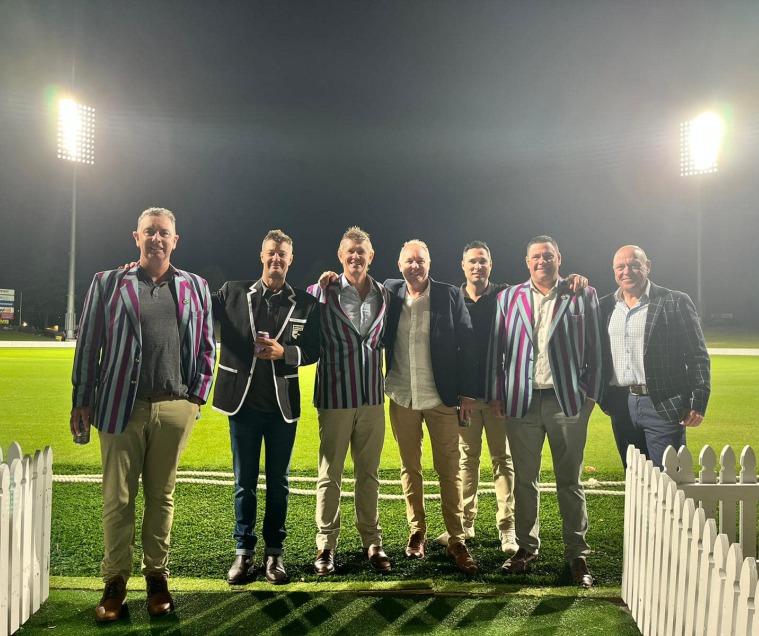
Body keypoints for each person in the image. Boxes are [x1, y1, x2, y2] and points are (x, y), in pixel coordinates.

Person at [70, 207, 215, 622]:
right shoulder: (107, 283)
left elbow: (207, 346)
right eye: (149, 231)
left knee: (161, 496)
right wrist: (82, 398)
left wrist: (196, 397)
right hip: (120, 405)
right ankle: (115, 581)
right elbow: (89, 344)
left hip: (174, 406)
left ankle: (156, 577)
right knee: (118, 498)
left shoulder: (195, 286)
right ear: (136, 237)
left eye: (163, 232)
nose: (156, 238)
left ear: (175, 240)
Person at [488, 235, 601, 588]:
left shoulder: (581, 294)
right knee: (525, 480)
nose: (542, 261)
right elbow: (496, 351)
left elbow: (596, 349)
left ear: (559, 258)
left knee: (570, 480)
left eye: (548, 256)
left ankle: (577, 554)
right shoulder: (508, 298)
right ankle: (526, 548)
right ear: (527, 262)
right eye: (536, 256)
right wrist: (497, 393)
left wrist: (590, 397)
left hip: (566, 402)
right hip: (521, 401)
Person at [212, 229, 320, 585]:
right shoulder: (232, 292)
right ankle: (243, 552)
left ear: (290, 260)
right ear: (262, 256)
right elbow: (193, 300)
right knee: (244, 483)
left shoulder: (305, 303)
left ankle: (274, 554)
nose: (276, 259)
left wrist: (284, 352)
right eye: (271, 253)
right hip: (242, 406)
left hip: (281, 409)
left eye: (282, 254)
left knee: (279, 485)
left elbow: (314, 350)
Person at [384, 239, 479, 576]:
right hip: (402, 396)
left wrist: (467, 393)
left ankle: (457, 538)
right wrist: (329, 281)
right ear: (399, 265)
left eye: (420, 260)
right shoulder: (390, 292)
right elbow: (357, 285)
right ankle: (417, 531)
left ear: (429, 263)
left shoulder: (449, 295)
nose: (415, 266)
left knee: (448, 470)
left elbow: (467, 343)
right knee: (410, 468)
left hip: (441, 398)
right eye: (409, 261)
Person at [308, 227, 392, 576]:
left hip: (372, 397)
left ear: (371, 256)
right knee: (330, 475)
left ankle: (372, 541)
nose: (356, 256)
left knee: (368, 474)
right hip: (335, 397)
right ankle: (326, 545)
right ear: (340, 256)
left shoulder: (385, 294)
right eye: (350, 252)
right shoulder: (321, 291)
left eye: (362, 251)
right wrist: (318, 286)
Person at [435, 241, 517, 553]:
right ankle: (465, 523)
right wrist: (459, 393)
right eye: (472, 261)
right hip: (466, 399)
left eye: (482, 261)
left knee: (502, 460)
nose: (477, 267)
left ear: (490, 265)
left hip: (497, 398)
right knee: (467, 460)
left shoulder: (505, 295)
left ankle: (507, 528)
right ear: (463, 265)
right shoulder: (453, 298)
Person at [599, 245, 710, 469]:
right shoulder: (605, 306)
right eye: (620, 267)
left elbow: (697, 355)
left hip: (663, 403)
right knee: (634, 476)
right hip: (621, 405)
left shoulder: (674, 301)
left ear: (647, 266)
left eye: (634, 265)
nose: (626, 271)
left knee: (668, 479)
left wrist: (698, 401)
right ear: (614, 271)